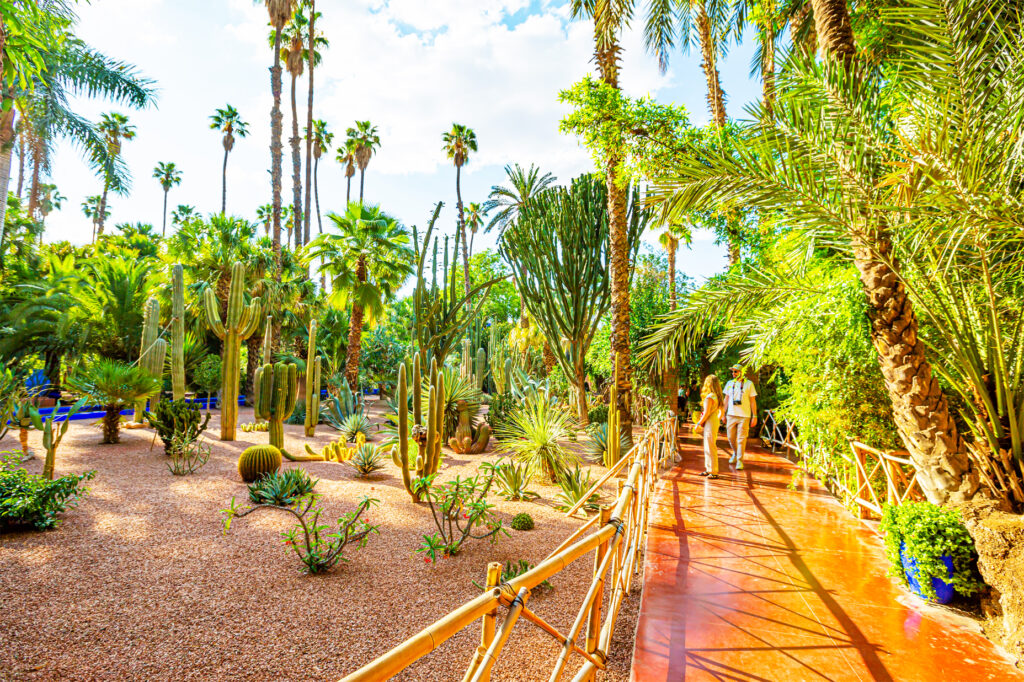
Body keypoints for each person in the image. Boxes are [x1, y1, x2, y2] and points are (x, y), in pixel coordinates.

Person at [723, 364, 758, 470]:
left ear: (741, 372)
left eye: (735, 371)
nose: (733, 374)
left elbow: (753, 401)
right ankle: (735, 453)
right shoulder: (729, 383)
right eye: (732, 372)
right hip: (731, 415)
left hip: (744, 415)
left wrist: (754, 416)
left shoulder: (749, 384)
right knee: (730, 438)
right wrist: (723, 414)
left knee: (741, 440)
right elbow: (726, 399)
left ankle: (739, 460)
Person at [696, 375, 724, 479]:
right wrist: (716, 419)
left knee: (710, 446)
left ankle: (713, 470)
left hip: (710, 422)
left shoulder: (709, 397)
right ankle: (709, 469)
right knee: (709, 445)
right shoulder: (717, 396)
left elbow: (706, 413)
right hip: (714, 422)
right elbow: (722, 412)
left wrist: (698, 423)